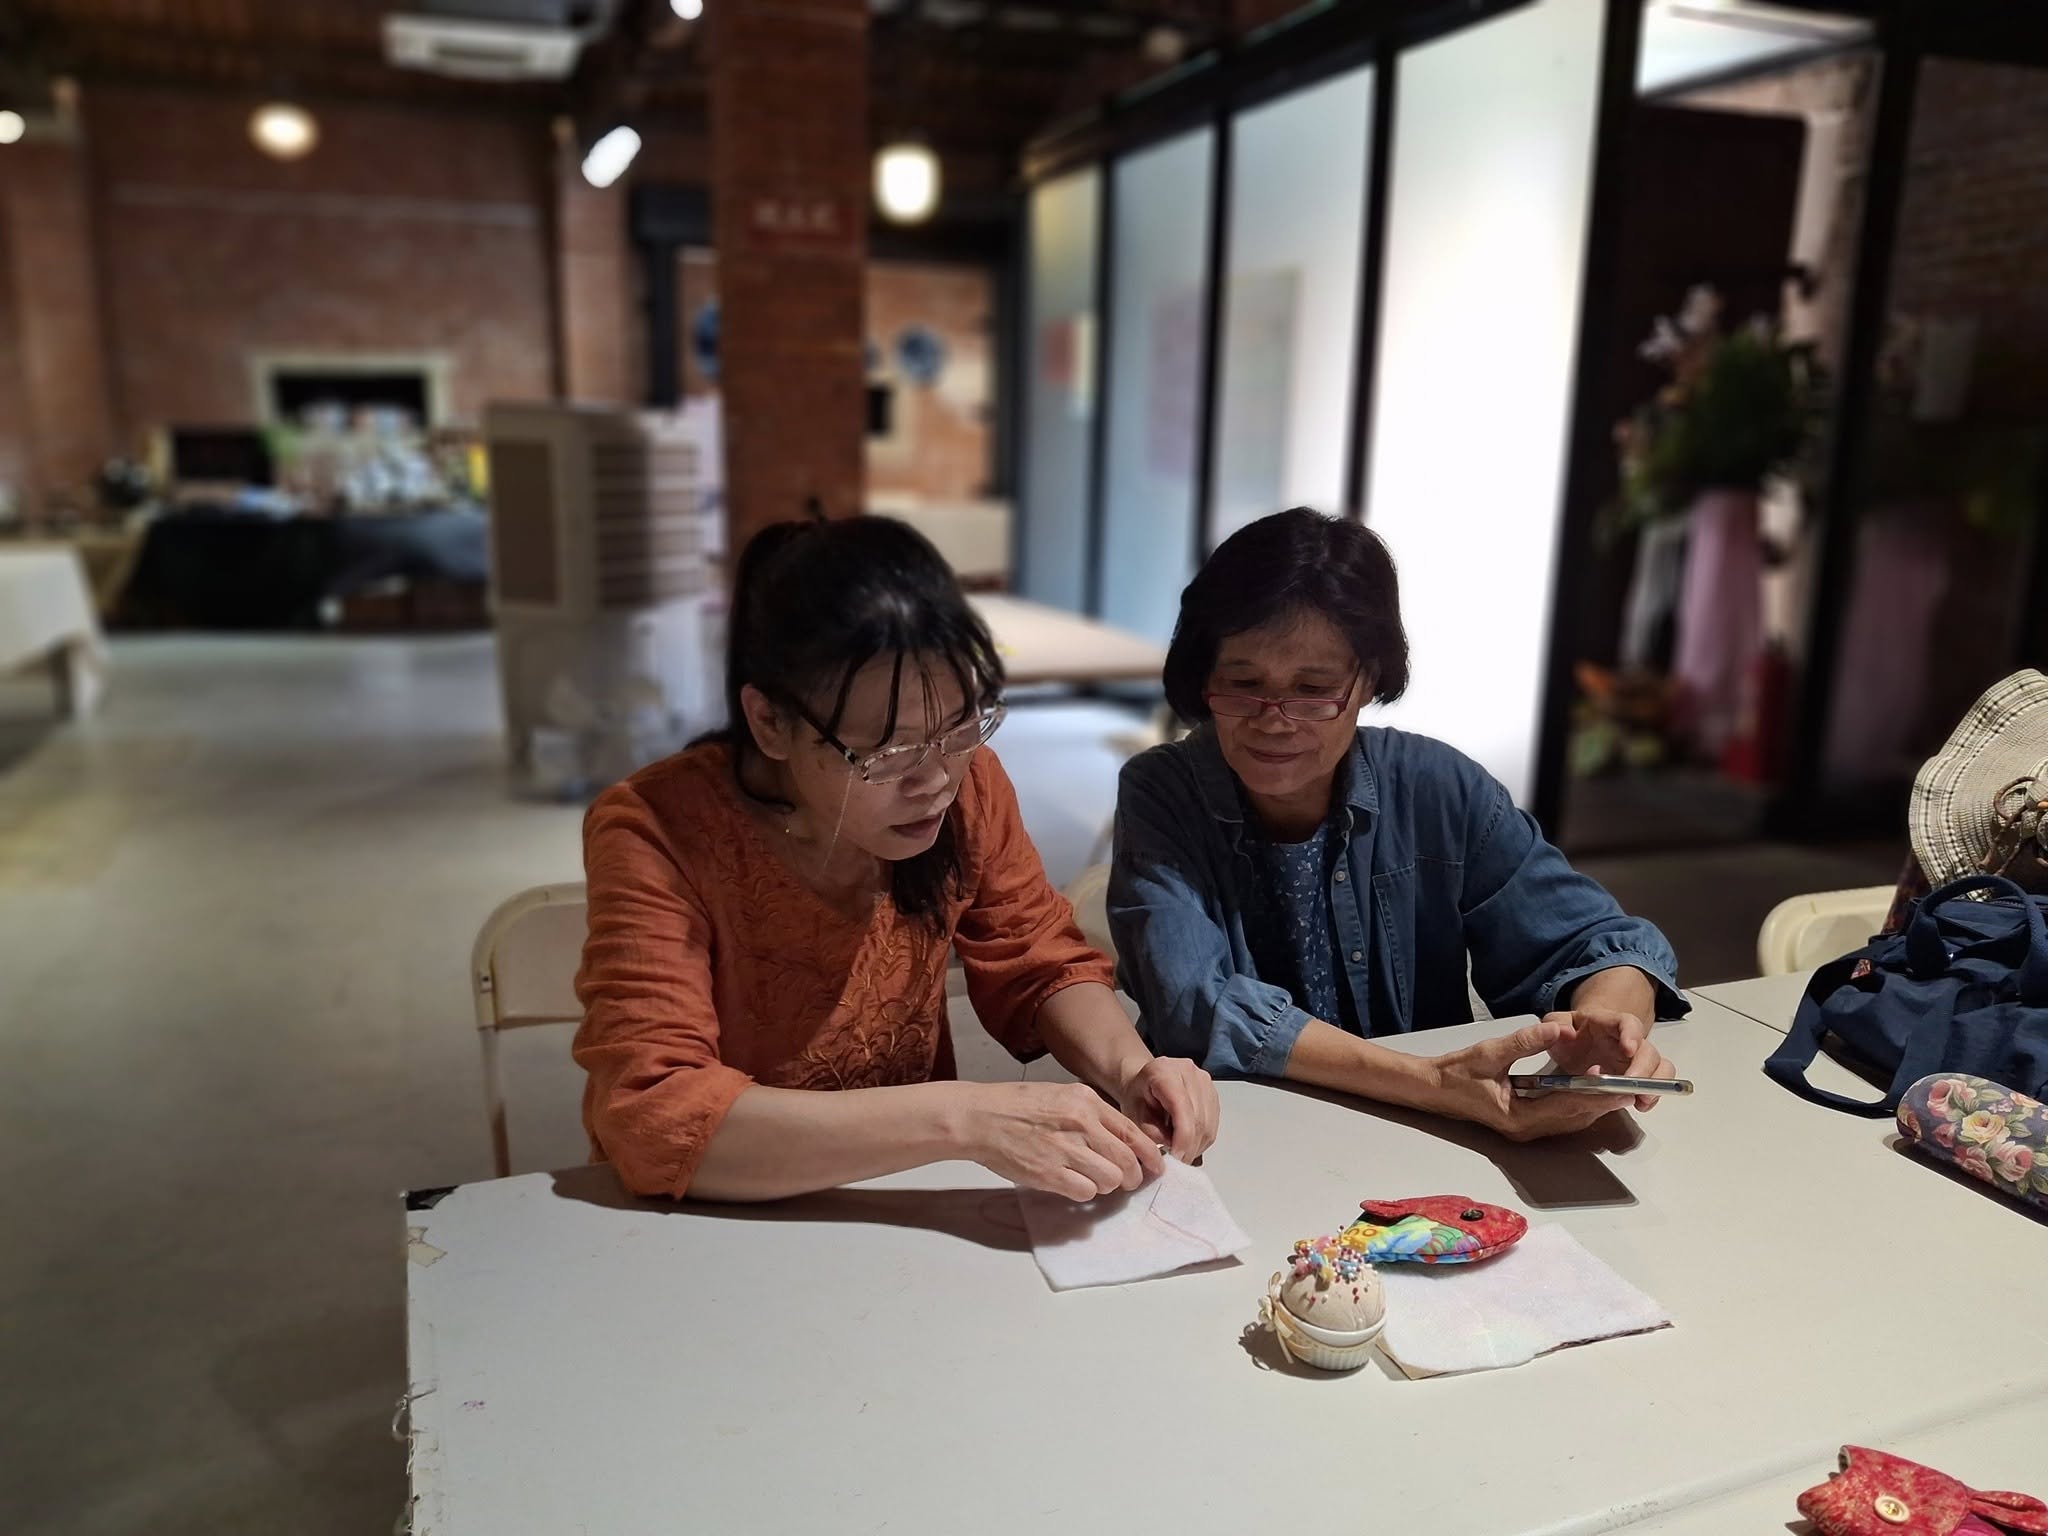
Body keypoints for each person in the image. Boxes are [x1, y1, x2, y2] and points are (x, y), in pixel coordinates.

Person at [574, 514, 1219, 1202]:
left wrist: (1132, 1069)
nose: (936, 779)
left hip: (897, 1199)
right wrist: (963, 1119)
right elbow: (654, 1116)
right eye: (889, 751)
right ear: (769, 722)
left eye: (961, 726)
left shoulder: (970, 786)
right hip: (720, 1213)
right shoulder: (659, 829)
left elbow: (1039, 959)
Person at [1109, 508, 1684, 1141]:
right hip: (1233, 1138)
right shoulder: (1162, 792)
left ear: (1369, 679)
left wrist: (1607, 1029)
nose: (1274, 719)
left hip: (1420, 1140)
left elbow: (1600, 941)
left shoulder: (1437, 786)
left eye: (1313, 689)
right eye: (1242, 683)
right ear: (1203, 678)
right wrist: (1434, 1084)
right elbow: (1195, 1005)